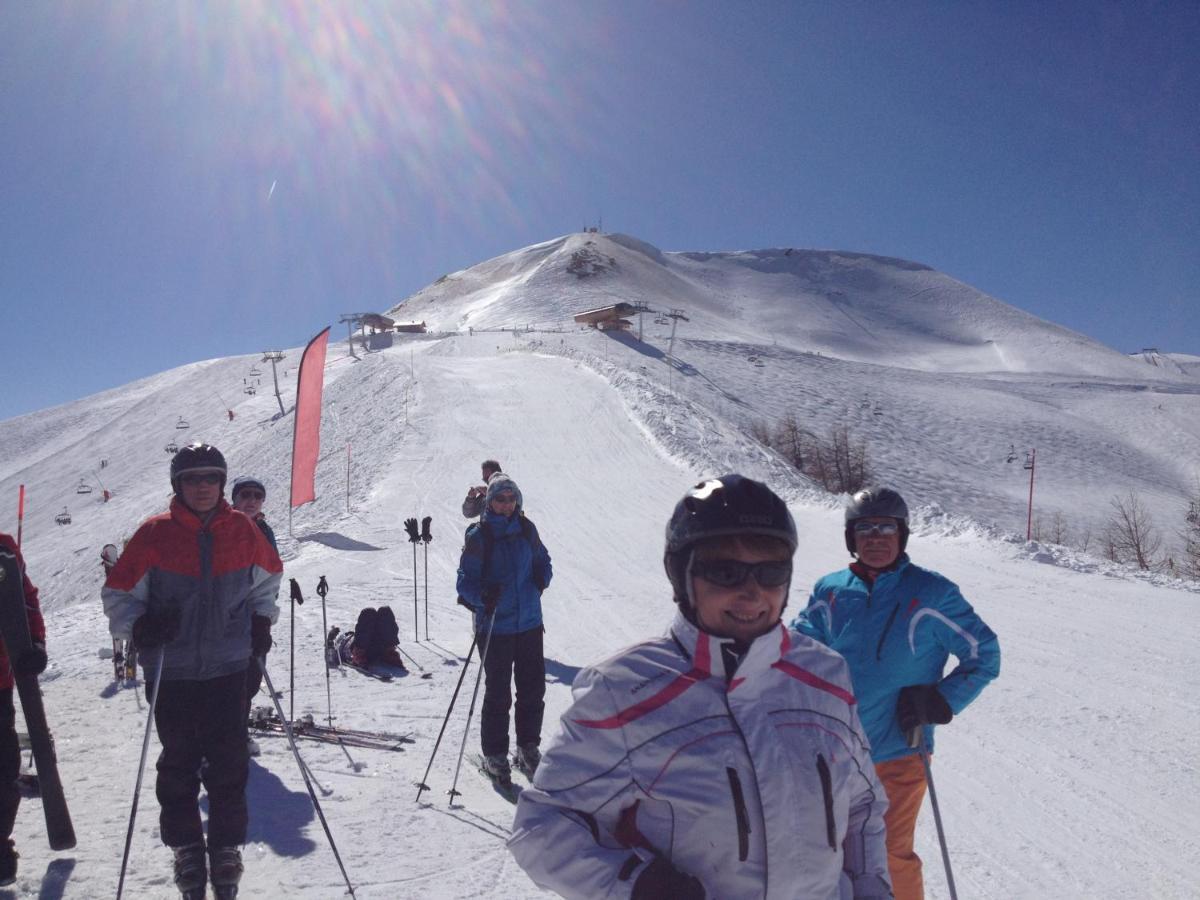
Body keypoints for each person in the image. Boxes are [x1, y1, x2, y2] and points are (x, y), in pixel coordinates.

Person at [509, 475, 891, 899]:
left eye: (771, 571)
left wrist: (872, 887)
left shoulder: (824, 676)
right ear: (683, 577)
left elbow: (863, 806)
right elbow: (543, 823)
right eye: (725, 571)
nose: (751, 592)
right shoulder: (625, 692)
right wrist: (637, 884)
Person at [793, 487, 1001, 900]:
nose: (876, 537)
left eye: (886, 527)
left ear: (902, 534)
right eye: (864, 528)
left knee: (887, 855)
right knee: (828, 854)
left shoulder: (931, 593)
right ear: (852, 537)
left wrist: (939, 700)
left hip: (899, 752)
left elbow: (984, 655)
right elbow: (796, 651)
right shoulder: (831, 590)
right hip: (834, 753)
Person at [102, 443, 282, 899]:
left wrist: (261, 621)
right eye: (192, 479)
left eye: (210, 478)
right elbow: (119, 593)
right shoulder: (153, 534)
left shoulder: (242, 529)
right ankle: (185, 845)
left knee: (229, 761)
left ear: (222, 483)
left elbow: (267, 580)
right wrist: (140, 625)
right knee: (178, 762)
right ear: (177, 485)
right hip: (173, 668)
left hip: (228, 665)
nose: (202, 487)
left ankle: (224, 847)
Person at [456, 474, 552, 780]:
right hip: (495, 626)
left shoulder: (527, 528)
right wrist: (483, 596)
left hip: (529, 624)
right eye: (500, 499)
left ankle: (528, 747)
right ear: (490, 501)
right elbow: (463, 583)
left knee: (532, 689)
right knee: (498, 693)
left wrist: (541, 579)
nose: (506, 505)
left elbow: (543, 560)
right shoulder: (479, 535)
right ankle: (495, 755)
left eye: (511, 499)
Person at [0, 534, 48, 886]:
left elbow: (26, 601)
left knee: (3, 770)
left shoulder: (2, 547)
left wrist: (35, 642)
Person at [231, 476, 277, 757]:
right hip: (226, 617)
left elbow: (272, 574)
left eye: (257, 496)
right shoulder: (222, 526)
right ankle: (222, 738)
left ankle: (239, 732)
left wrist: (265, 615)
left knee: (249, 678)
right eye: (245, 495)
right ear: (234, 498)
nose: (251, 500)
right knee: (224, 680)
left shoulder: (264, 530)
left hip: (256, 615)